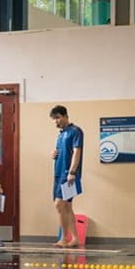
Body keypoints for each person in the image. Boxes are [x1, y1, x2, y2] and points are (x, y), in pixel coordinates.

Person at [50, 105, 83, 248]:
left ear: (65, 116)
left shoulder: (75, 131)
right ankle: (75, 238)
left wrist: (72, 172)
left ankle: (64, 238)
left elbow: (77, 152)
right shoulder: (61, 134)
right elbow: (60, 151)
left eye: (57, 118)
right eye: (53, 119)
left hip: (67, 175)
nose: (55, 122)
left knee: (60, 204)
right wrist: (54, 154)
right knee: (67, 207)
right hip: (58, 174)